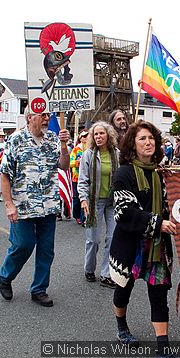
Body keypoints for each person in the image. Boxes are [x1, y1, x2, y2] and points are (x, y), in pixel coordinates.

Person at [109, 120, 180, 358]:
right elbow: (124, 212)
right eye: (142, 138)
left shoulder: (163, 173)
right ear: (133, 144)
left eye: (152, 138)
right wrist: (157, 222)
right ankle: (121, 326)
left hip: (157, 247)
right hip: (131, 247)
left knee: (159, 296)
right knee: (124, 290)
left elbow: (175, 203)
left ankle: (163, 352)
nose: (148, 142)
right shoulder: (123, 173)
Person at [0, 109, 71, 307]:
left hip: (48, 205)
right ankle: (6, 276)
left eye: (49, 115)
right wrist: (9, 205)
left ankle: (39, 289)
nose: (47, 118)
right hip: (23, 205)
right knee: (23, 244)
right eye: (43, 115)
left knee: (46, 250)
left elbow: (64, 166)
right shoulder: (16, 140)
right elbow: (5, 174)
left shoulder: (53, 138)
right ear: (30, 117)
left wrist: (64, 146)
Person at [78, 121, 119, 288]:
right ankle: (89, 268)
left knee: (112, 237)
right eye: (96, 134)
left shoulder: (117, 153)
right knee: (93, 239)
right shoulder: (88, 154)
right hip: (94, 201)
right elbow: (82, 180)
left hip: (113, 201)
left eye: (102, 133)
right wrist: (83, 199)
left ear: (108, 135)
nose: (99, 136)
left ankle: (106, 274)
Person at [70, 129, 88, 226]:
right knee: (77, 198)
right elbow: (71, 162)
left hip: (87, 177)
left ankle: (84, 217)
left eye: (87, 136)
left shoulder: (90, 149)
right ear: (80, 138)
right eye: (84, 136)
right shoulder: (76, 149)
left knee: (85, 198)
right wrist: (80, 162)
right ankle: (77, 215)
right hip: (77, 177)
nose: (86, 138)